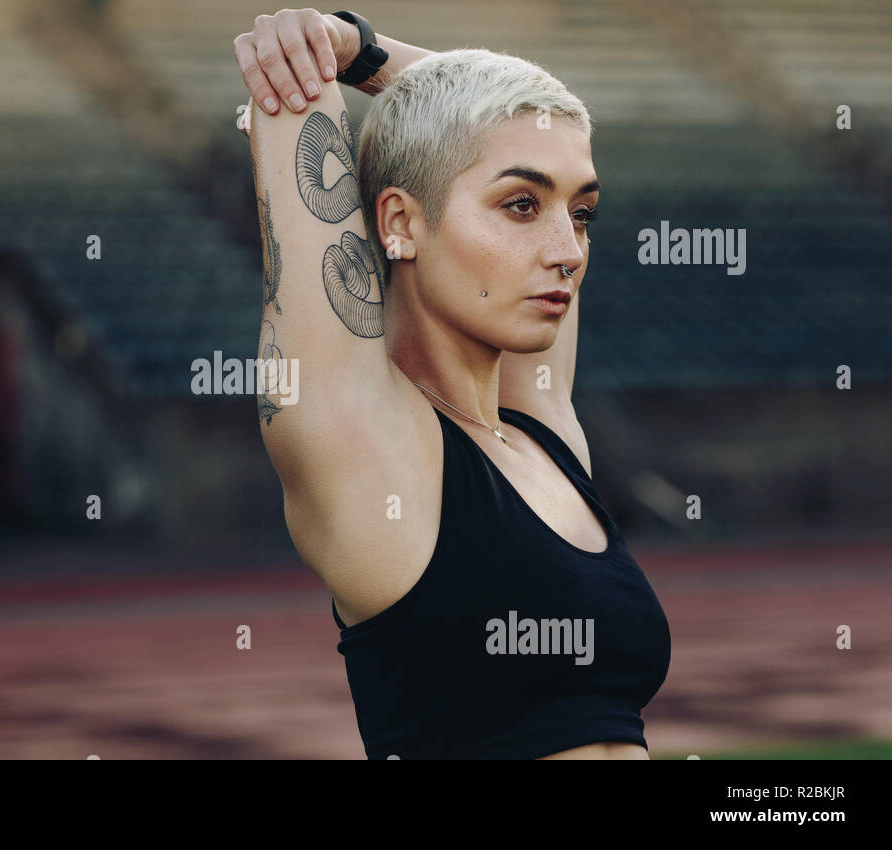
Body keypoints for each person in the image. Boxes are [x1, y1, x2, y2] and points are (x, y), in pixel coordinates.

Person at [234, 9, 670, 759]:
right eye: (522, 206)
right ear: (399, 221)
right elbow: (297, 95)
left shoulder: (541, 428)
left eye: (583, 212)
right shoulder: (362, 441)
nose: (568, 250)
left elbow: (512, 111)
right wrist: (322, 52)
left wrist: (365, 50)